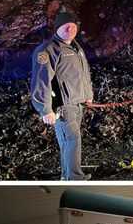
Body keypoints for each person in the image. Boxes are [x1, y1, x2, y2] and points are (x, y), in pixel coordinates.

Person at [30, 11, 93, 180]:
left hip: (78, 103)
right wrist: (45, 109)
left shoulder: (76, 47)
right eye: (66, 27)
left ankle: (67, 176)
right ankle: (75, 179)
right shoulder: (47, 50)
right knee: (72, 140)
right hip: (63, 105)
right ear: (57, 28)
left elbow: (84, 72)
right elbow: (41, 81)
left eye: (73, 26)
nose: (70, 29)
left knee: (68, 142)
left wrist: (88, 95)